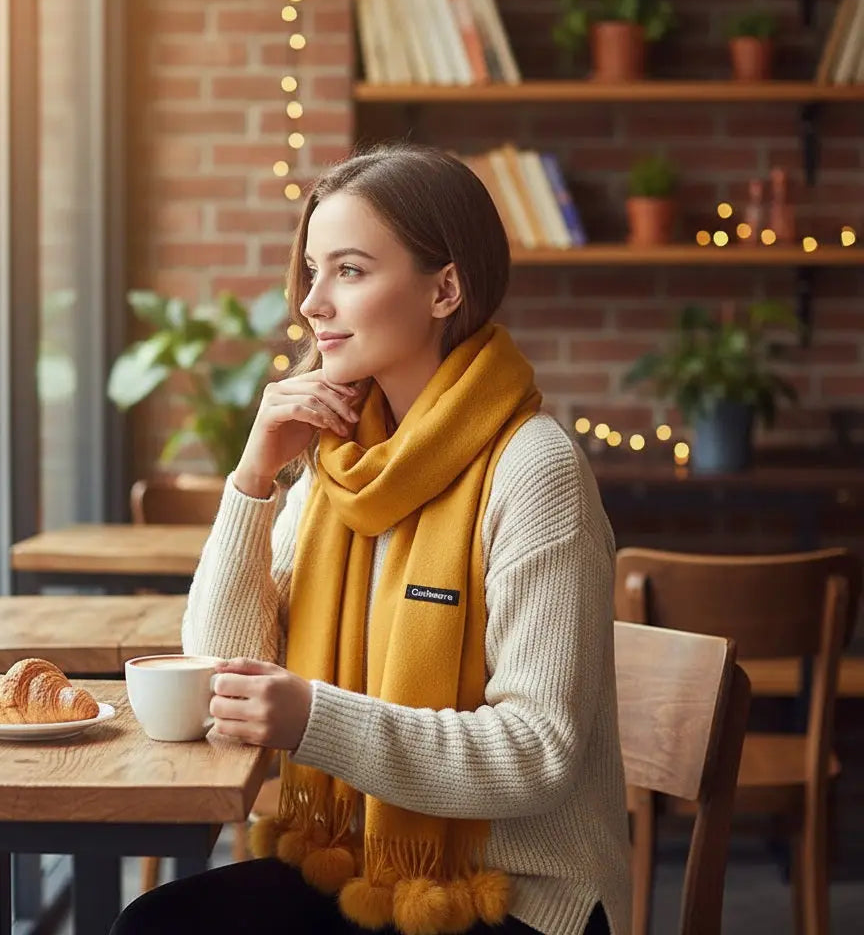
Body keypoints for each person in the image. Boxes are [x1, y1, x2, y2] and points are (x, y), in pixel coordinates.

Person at [110, 144, 630, 935]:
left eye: (348, 271)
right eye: (312, 272)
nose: (313, 303)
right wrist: (253, 479)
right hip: (351, 871)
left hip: (512, 897)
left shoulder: (534, 468)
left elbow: (536, 752)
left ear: (444, 288)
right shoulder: (339, 463)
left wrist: (315, 719)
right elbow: (225, 668)